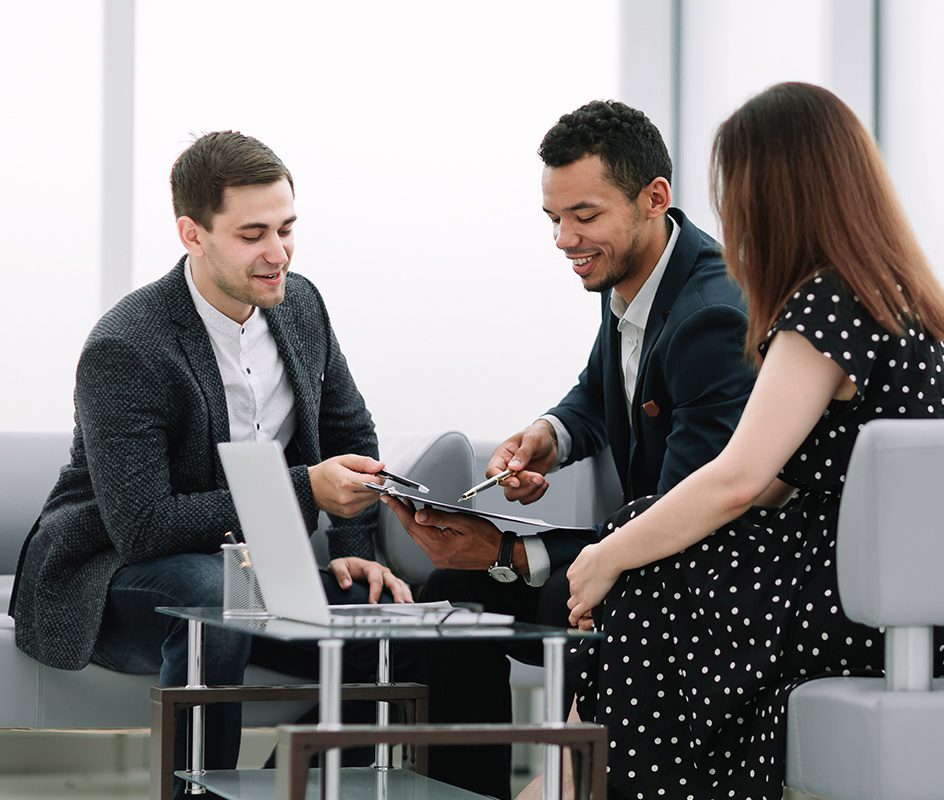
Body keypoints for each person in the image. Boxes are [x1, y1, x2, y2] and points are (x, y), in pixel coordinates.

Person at [560, 82, 944, 800]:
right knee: (650, 550)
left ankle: (580, 786)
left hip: (881, 603)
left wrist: (604, 558)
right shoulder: (904, 297)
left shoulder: (829, 303)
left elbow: (741, 479)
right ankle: (571, 786)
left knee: (643, 575)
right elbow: (789, 474)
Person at [7, 132, 412, 797]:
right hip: (112, 576)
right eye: (253, 234)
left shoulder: (302, 305)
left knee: (388, 624)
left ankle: (282, 788)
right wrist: (306, 490)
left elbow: (348, 430)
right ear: (192, 234)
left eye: (286, 229)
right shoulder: (128, 345)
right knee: (219, 596)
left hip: (257, 569)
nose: (277, 254)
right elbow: (142, 526)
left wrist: (355, 547)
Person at [382, 99, 756, 799]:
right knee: (453, 596)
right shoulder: (631, 272)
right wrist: (545, 438)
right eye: (554, 219)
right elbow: (596, 393)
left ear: (655, 198)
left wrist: (507, 552)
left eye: (583, 215)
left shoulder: (709, 316)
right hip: (638, 556)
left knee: (483, 581)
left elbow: (680, 520)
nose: (564, 238)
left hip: (680, 582)